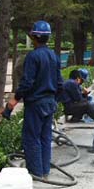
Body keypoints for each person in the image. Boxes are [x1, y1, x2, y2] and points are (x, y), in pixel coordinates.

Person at [7, 20, 63, 178]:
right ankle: (45, 171)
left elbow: (27, 82)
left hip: (36, 103)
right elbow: (60, 83)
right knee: (45, 137)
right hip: (50, 102)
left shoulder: (33, 56)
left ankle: (36, 173)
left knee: (32, 138)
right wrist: (53, 100)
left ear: (33, 37)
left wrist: (15, 99)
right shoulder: (54, 56)